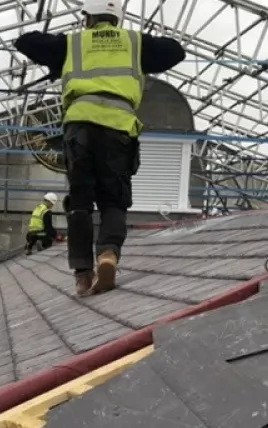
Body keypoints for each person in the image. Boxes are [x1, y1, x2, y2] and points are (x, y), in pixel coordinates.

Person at [14, 1, 186, 296]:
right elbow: (175, 51)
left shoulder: (73, 43)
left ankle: (82, 274)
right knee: (113, 201)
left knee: (80, 203)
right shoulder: (134, 43)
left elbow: (25, 42)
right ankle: (108, 254)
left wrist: (62, 53)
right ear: (117, 19)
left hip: (80, 126)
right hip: (118, 128)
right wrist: (138, 42)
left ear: (87, 18)